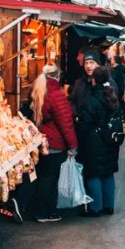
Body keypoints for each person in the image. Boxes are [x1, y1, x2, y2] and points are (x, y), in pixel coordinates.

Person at [28, 69, 78, 224]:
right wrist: (73, 146)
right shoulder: (56, 95)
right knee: (50, 179)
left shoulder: (39, 91)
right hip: (55, 143)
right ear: (57, 77)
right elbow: (66, 124)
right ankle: (44, 212)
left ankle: (40, 209)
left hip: (42, 141)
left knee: (43, 177)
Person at [72, 65, 121, 216]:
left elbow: (85, 123)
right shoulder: (112, 96)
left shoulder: (92, 99)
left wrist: (78, 122)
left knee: (93, 173)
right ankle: (109, 206)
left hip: (94, 140)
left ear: (94, 80)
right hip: (110, 139)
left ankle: (96, 207)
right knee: (107, 172)